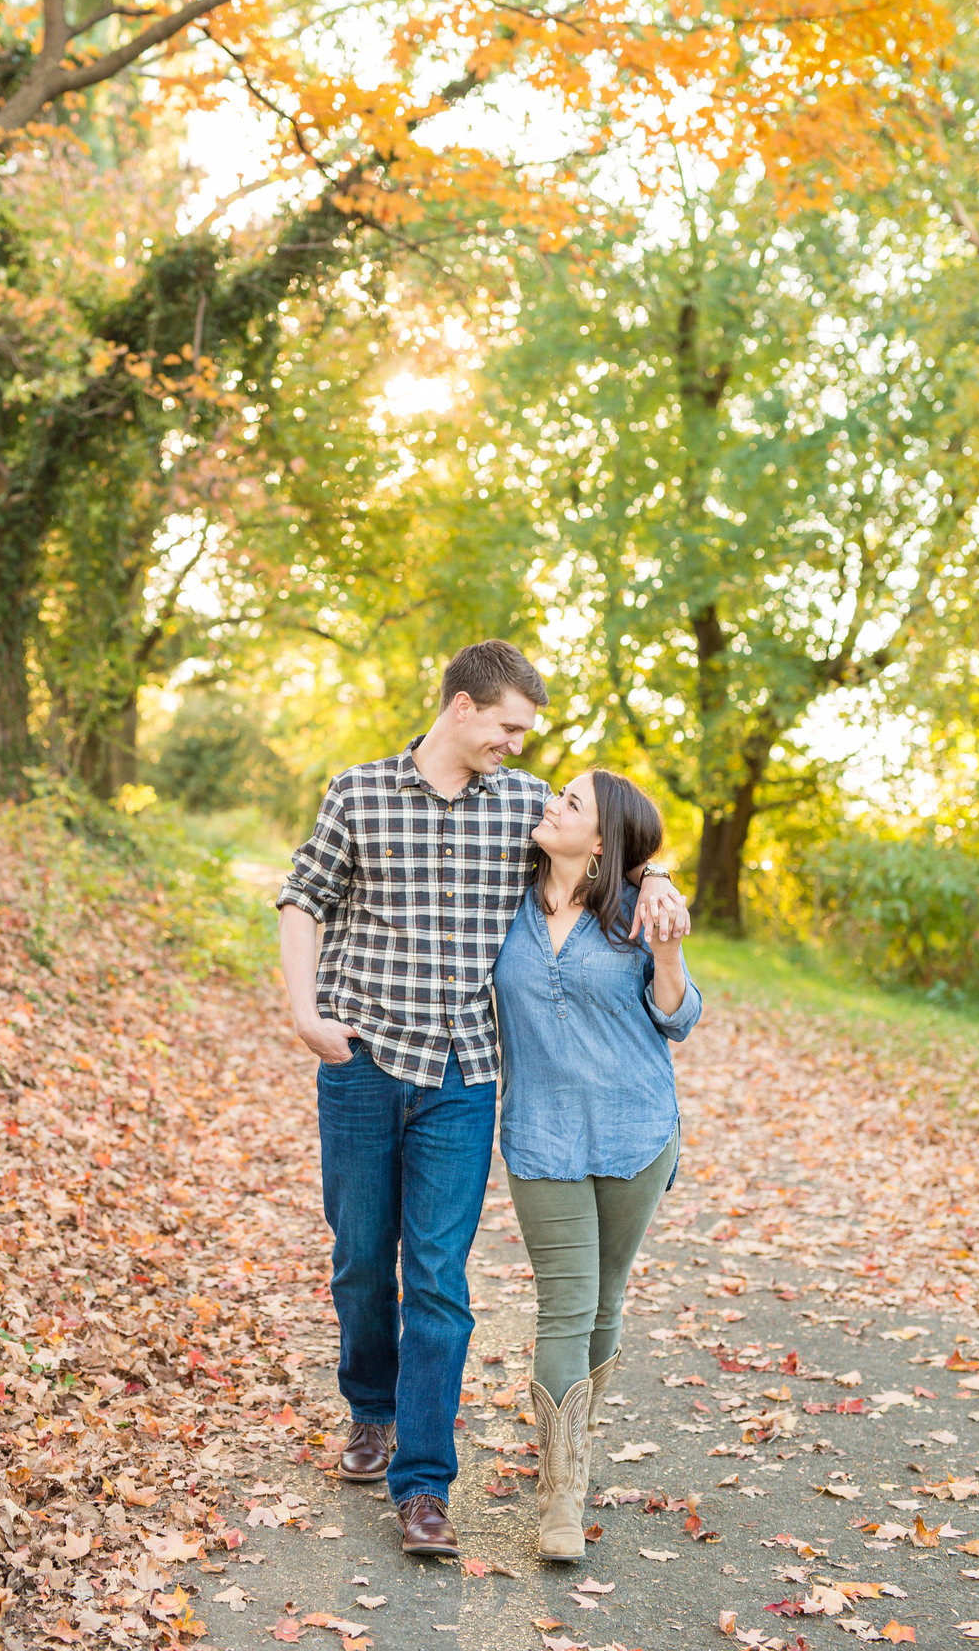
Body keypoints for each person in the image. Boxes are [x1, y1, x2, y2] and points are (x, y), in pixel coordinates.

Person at [277, 641, 689, 1557]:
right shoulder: (358, 793)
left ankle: (424, 1485)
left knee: (437, 1277)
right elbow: (302, 895)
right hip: (362, 1062)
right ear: (462, 707)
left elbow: (607, 858)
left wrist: (656, 876)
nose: (518, 746)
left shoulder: (523, 808)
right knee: (357, 1263)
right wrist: (303, 1011)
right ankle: (370, 1411)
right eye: (508, 727)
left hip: (463, 1081)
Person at [494, 767, 702, 1560]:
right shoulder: (503, 895)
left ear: (603, 839)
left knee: (607, 1298)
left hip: (636, 1132)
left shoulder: (638, 910)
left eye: (571, 803)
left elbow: (678, 1018)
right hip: (541, 1136)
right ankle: (561, 1501)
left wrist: (669, 947)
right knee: (565, 1307)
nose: (552, 804)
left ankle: (572, 1452)